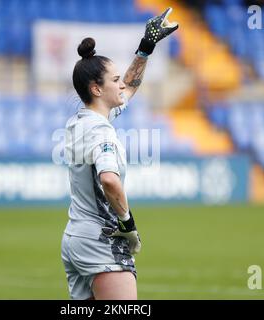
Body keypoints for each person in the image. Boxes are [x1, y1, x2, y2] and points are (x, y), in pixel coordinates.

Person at [61, 7, 179, 300]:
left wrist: (146, 48)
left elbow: (130, 86)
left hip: (75, 238)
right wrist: (127, 224)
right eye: (114, 80)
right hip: (103, 239)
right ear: (96, 89)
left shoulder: (81, 120)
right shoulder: (101, 131)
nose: (121, 84)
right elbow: (110, 181)